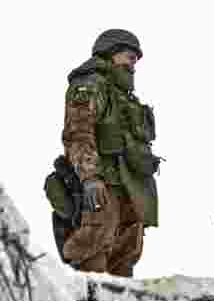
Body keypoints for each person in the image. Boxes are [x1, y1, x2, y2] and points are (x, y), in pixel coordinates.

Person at [57, 29, 160, 276]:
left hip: (129, 188)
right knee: (93, 252)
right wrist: (90, 178)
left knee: (126, 256)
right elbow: (78, 134)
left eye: (135, 58)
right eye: (129, 56)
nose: (134, 63)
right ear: (110, 53)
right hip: (103, 186)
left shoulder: (124, 97)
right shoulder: (90, 85)